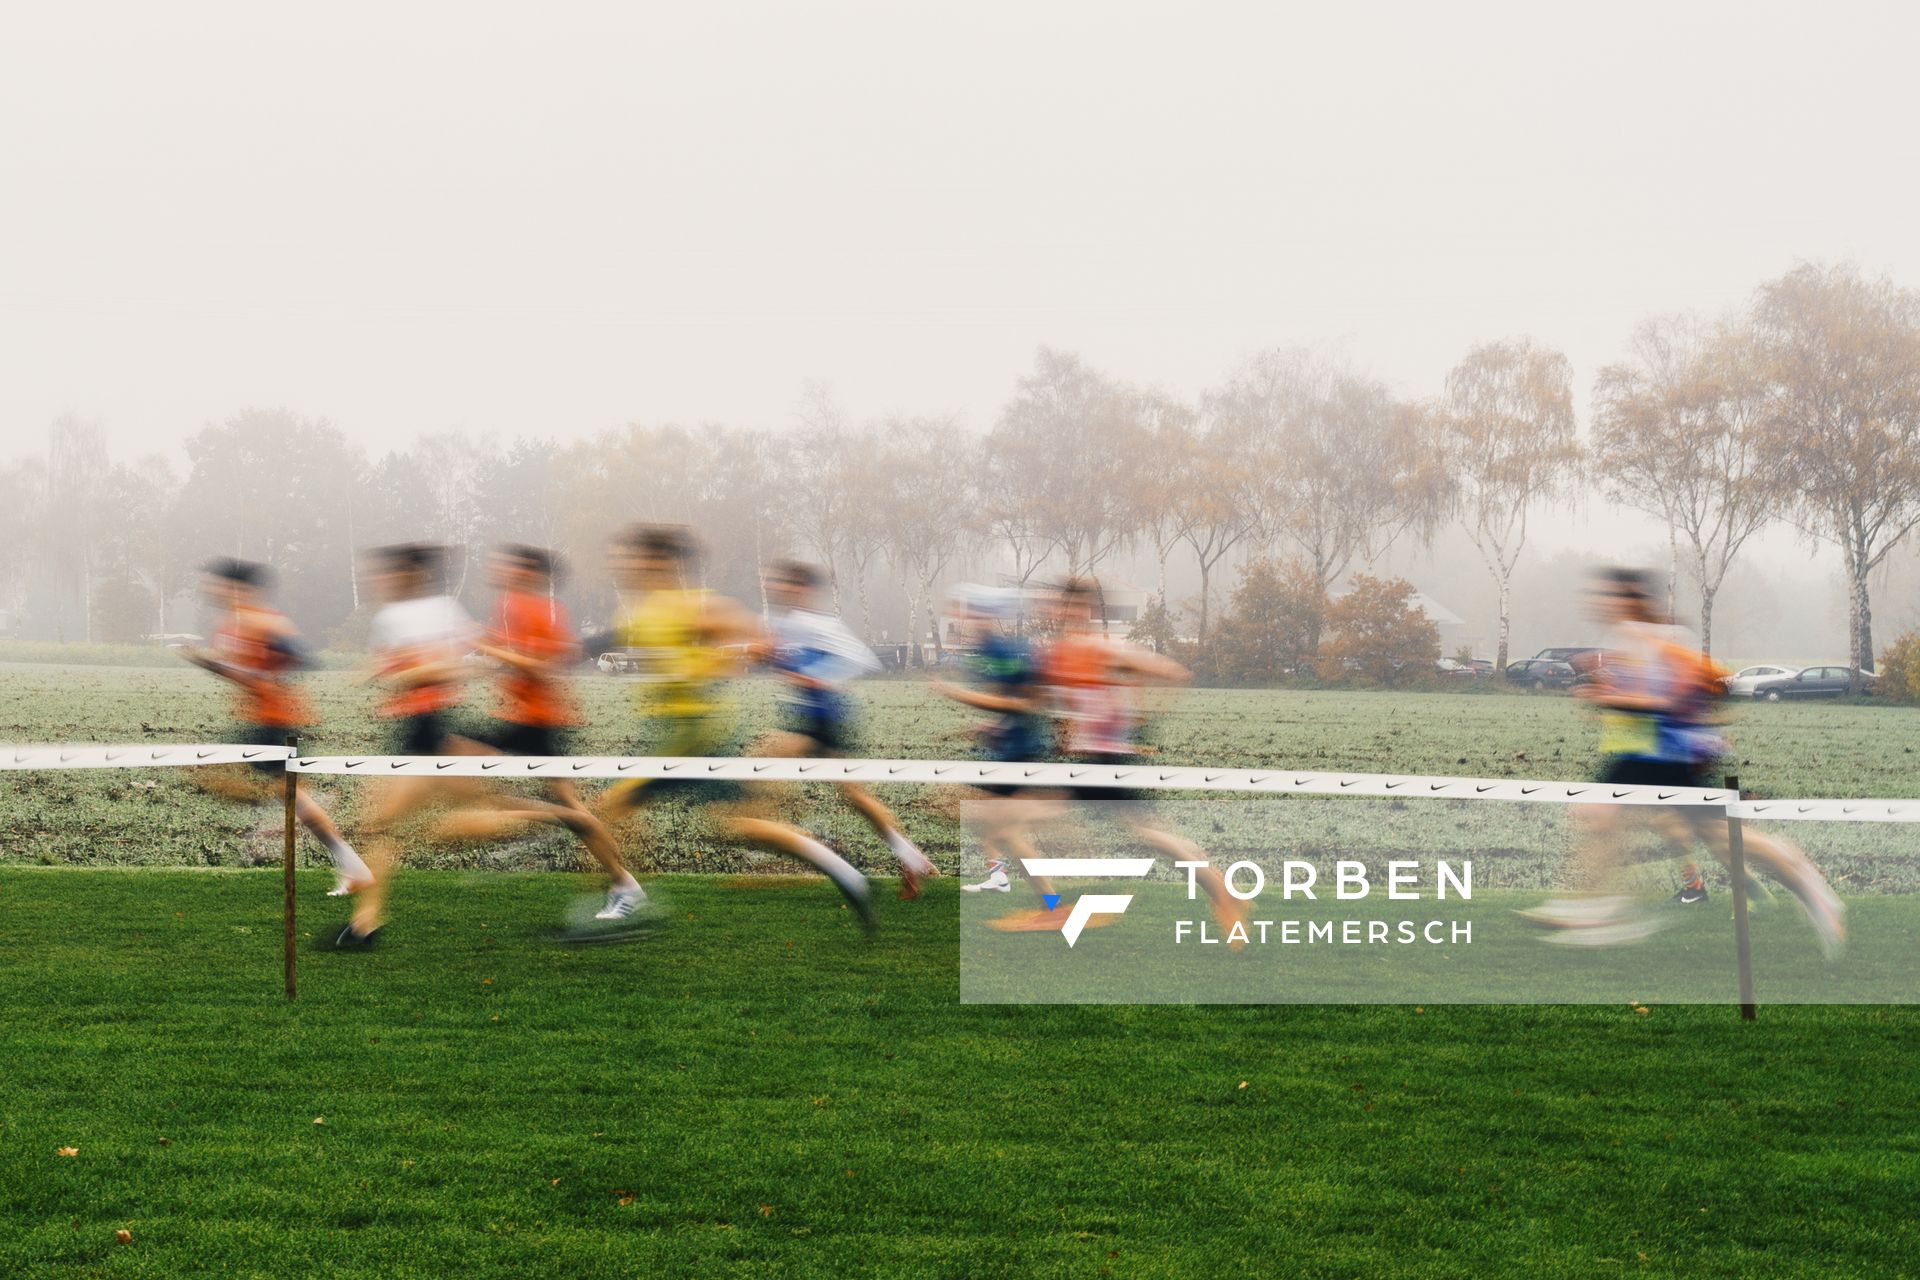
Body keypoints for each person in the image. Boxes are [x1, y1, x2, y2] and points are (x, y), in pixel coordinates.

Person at [1521, 567, 1845, 956]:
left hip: (1667, 754)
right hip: (1644, 753)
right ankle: (1596, 908)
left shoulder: (1657, 640)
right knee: (1621, 820)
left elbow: (1661, 703)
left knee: (1606, 816)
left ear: (1631, 600)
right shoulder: (1631, 639)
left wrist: (1607, 697)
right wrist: (1606, 690)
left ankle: (1598, 910)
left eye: (1608, 597)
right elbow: (1642, 697)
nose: (1599, 605)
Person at [590, 525, 876, 931]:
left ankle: (626, 891)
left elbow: (759, 642)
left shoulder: (697, 606)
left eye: (630, 556)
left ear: (661, 562)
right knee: (735, 826)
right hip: (671, 729)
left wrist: (705, 665)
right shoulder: (639, 611)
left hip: (694, 732)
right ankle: (843, 871)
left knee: (606, 810)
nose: (621, 564)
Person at [427, 545, 647, 923]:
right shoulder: (509, 605)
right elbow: (499, 657)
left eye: (507, 563)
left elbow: (543, 667)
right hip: (520, 718)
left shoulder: (539, 609)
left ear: (529, 571)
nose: (496, 566)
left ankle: (620, 881)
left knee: (569, 808)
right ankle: (528, 823)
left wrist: (485, 649)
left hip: (543, 721)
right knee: (459, 756)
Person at [182, 558, 371, 897]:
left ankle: (294, 822)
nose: (208, 589)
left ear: (237, 587)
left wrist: (249, 674)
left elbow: (301, 658)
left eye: (214, 583)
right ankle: (301, 820)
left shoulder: (265, 622)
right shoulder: (226, 626)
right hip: (255, 719)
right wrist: (210, 663)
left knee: (234, 777)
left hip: (279, 720)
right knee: (215, 774)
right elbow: (237, 672)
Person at [759, 559, 938, 897]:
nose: (776, 589)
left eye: (783, 583)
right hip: (809, 715)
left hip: (826, 717)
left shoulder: (816, 623)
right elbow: (788, 663)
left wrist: (815, 678)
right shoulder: (787, 623)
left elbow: (861, 658)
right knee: (853, 794)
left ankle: (783, 847)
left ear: (800, 588)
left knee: (764, 768)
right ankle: (909, 856)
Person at [335, 544, 478, 947]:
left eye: (390, 574)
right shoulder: (387, 617)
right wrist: (374, 673)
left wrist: (411, 675)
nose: (381, 581)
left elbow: (467, 663)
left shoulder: (443, 610)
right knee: (379, 825)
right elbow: (391, 664)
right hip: (407, 729)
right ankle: (365, 922)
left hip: (429, 727)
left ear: (413, 574)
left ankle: (365, 923)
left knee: (382, 824)